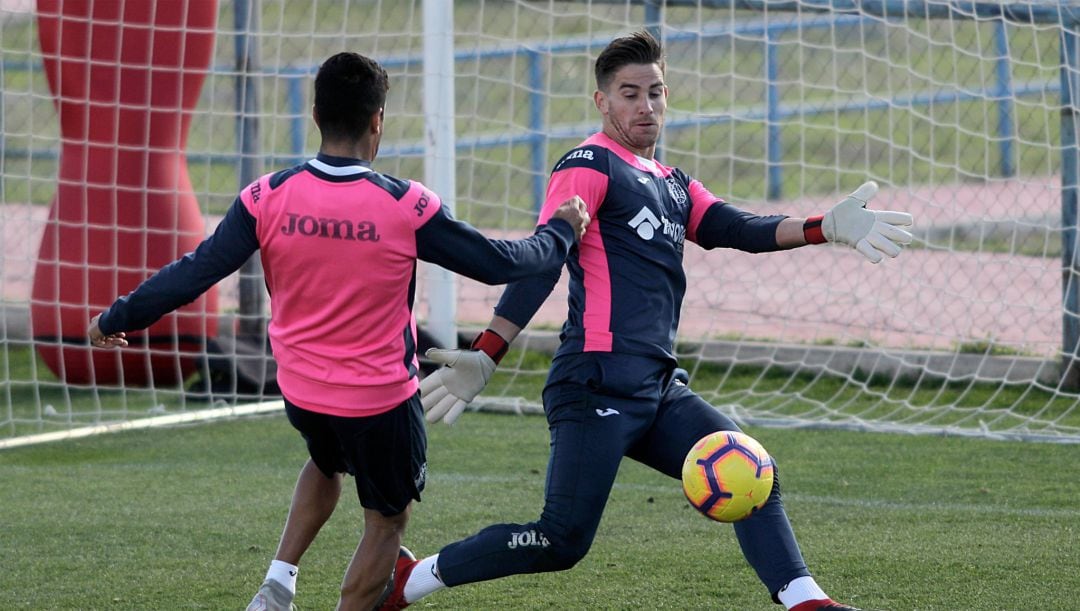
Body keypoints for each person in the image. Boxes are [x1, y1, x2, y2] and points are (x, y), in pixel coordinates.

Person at [379, 31, 913, 611]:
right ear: (602, 102)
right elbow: (544, 259)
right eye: (629, 94)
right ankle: (413, 579)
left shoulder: (673, 184)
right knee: (560, 540)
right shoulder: (588, 163)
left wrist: (823, 227)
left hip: (658, 388)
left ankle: (806, 601)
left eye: (655, 92)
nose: (645, 106)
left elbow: (738, 229)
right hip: (595, 381)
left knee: (752, 470)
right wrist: (488, 350)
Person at [86, 51, 590, 611]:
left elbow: (195, 271)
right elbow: (503, 262)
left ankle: (277, 584)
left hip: (301, 392)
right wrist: (561, 230)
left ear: (317, 114)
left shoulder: (265, 196)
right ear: (378, 120)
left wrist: (116, 318)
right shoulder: (407, 204)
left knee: (326, 462)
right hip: (379, 402)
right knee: (388, 520)